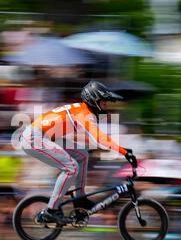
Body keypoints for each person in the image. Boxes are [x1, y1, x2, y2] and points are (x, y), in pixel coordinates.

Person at [19, 81, 137, 225]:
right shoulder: (85, 114)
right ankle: (51, 210)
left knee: (82, 154)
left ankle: (80, 198)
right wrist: (124, 152)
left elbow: (91, 138)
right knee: (71, 167)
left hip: (44, 136)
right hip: (34, 137)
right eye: (104, 101)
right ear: (94, 100)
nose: (106, 105)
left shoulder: (81, 109)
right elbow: (99, 139)